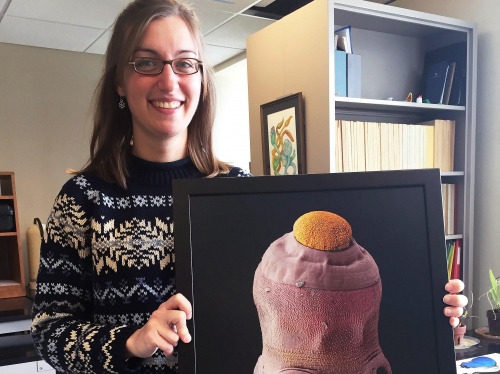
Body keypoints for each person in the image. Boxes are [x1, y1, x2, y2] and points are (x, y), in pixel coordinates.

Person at [30, 0, 467, 373]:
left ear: (200, 80)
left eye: (185, 63)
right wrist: (132, 342)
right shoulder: (84, 201)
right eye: (146, 62)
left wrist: (429, 309)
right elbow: (49, 329)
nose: (169, 80)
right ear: (120, 83)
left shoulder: (236, 191)